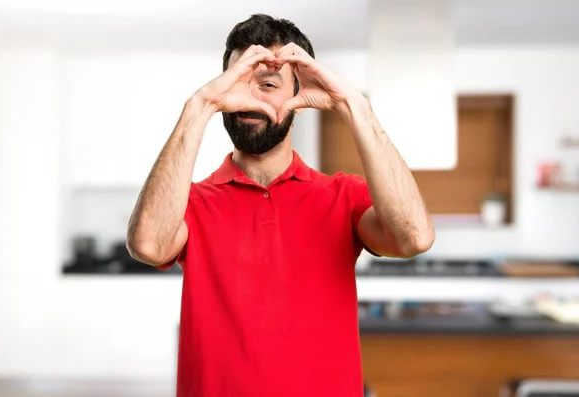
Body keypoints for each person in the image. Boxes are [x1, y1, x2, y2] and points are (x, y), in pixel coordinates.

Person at [127, 13, 434, 397]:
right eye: (238, 82)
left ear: (299, 97)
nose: (249, 98)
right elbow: (148, 245)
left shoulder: (342, 196)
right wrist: (199, 105)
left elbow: (414, 238)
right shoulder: (191, 203)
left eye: (268, 84)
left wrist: (354, 105)